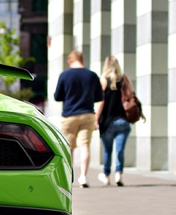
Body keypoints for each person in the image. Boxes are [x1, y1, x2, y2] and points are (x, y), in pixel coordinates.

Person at [54, 50, 103, 188]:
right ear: (82, 60)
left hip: (69, 115)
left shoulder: (64, 75)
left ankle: (68, 177)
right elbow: (99, 97)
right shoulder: (92, 75)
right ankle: (83, 177)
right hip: (88, 114)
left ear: (69, 61)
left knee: (68, 147)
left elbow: (57, 96)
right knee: (85, 145)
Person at [94, 56, 143, 186]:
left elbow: (101, 102)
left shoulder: (103, 81)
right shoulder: (124, 79)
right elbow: (132, 97)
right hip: (122, 122)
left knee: (107, 151)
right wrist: (140, 112)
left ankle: (105, 175)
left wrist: (95, 119)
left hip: (107, 123)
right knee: (120, 150)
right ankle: (119, 175)